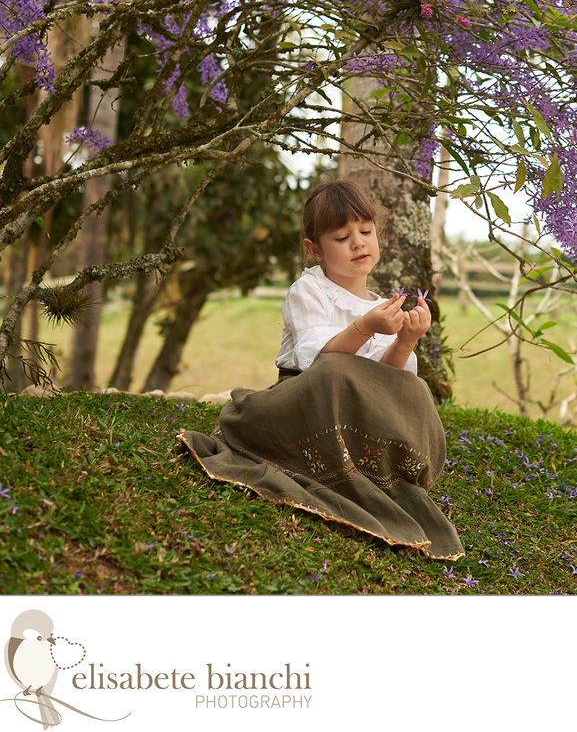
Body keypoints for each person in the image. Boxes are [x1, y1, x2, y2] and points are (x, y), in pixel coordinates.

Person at [177, 180, 463, 561]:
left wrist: (406, 342)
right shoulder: (309, 290)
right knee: (336, 370)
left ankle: (379, 465)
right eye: (343, 237)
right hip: (305, 399)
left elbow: (385, 379)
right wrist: (366, 327)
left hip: (352, 411)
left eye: (366, 232)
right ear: (315, 250)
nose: (359, 243)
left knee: (415, 390)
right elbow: (318, 360)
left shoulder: (380, 304)